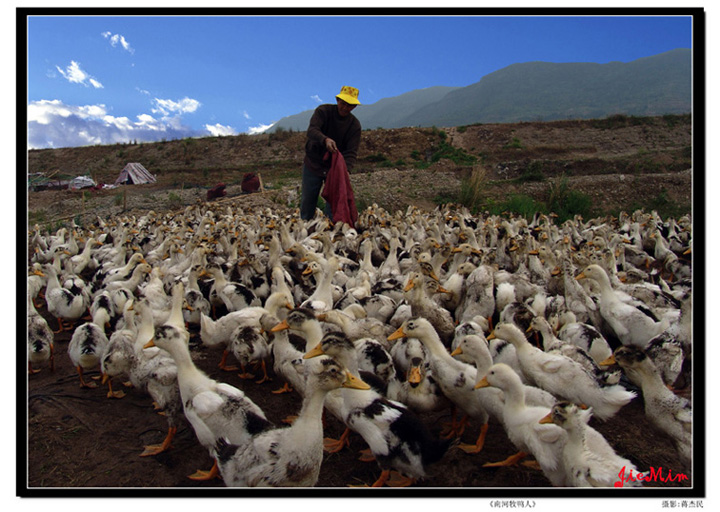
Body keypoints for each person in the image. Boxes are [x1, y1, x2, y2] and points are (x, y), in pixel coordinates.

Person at [300, 85, 362, 221]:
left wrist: (345, 171)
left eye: (350, 105)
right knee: (308, 201)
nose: (345, 108)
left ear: (354, 107)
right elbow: (312, 130)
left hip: (334, 169)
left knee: (334, 205)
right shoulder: (323, 111)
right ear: (337, 100)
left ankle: (332, 233)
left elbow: (351, 152)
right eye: (343, 103)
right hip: (313, 163)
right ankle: (304, 229)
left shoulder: (354, 125)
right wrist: (325, 140)